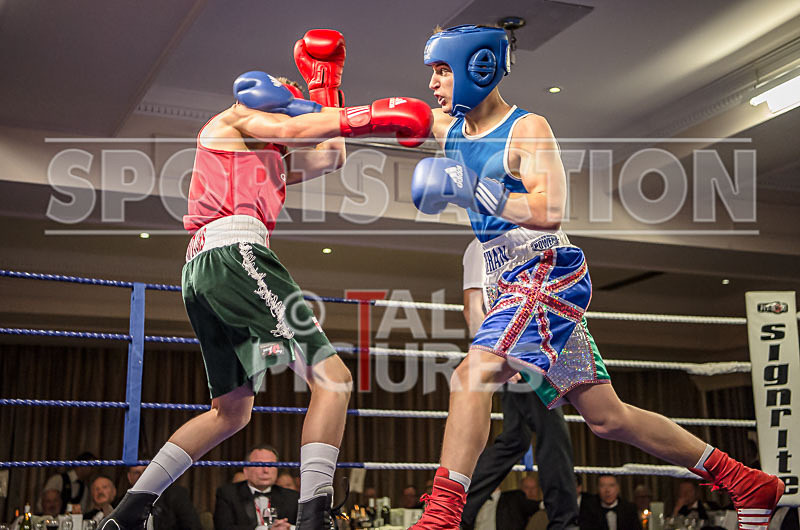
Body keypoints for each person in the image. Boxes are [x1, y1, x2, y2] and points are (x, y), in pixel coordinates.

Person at [408, 24, 784, 529]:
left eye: (442, 71)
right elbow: (374, 120)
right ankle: (743, 479)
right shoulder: (445, 128)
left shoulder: (528, 128)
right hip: (509, 282)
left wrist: (475, 188)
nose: (432, 84)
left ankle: (441, 518)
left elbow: (551, 209)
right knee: (607, 418)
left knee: (470, 374)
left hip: (543, 269)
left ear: (478, 68)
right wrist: (314, 100)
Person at [99, 29, 432, 530]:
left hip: (205, 268)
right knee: (334, 380)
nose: (286, 83)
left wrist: (328, 87)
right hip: (237, 254)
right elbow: (302, 131)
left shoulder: (268, 155)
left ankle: (126, 515)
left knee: (230, 413)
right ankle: (314, 517)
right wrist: (371, 116)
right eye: (282, 82)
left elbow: (330, 156)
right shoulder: (231, 120)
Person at [460, 238, 578, 530]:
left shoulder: (523, 238)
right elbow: (472, 306)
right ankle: (565, 523)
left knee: (515, 439)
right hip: (516, 350)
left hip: (532, 346)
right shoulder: (481, 245)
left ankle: (457, 511)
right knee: (553, 431)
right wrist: (496, 355)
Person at [214, 445, 298, 530]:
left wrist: (289, 528)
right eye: (259, 464)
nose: (266, 470)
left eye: (271, 464)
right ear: (246, 470)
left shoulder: (292, 497)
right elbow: (223, 527)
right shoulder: (228, 494)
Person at [126, 465, 202, 530]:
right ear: (129, 478)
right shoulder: (121, 503)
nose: (142, 476)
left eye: (146, 471)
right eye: (136, 473)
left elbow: (193, 527)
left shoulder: (176, 495)